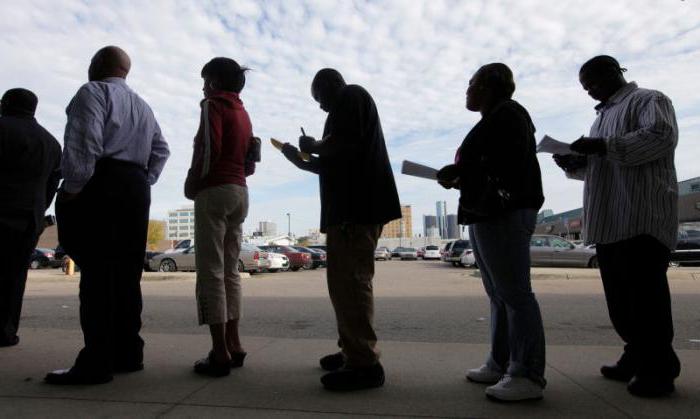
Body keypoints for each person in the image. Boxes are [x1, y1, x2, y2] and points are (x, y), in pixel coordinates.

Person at [554, 55, 680, 397]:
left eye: (593, 83)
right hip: (610, 220)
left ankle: (659, 369)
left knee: (646, 300)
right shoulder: (600, 120)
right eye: (585, 88)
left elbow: (660, 138)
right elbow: (603, 166)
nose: (590, 92)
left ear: (614, 72)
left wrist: (601, 146)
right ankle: (636, 354)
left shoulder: (649, 100)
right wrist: (575, 163)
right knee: (621, 302)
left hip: (641, 217)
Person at [45, 46, 170, 385]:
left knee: (99, 274)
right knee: (127, 275)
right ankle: (129, 353)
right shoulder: (143, 107)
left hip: (102, 183)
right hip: (134, 187)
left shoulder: (93, 91)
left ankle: (96, 362)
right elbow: (161, 149)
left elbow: (84, 141)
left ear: (97, 65)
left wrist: (73, 187)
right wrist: (143, 178)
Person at [281, 68, 401, 391]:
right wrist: (300, 158)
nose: (320, 107)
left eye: (319, 98)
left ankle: (364, 363)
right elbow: (332, 159)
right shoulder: (342, 111)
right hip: (350, 211)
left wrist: (313, 144)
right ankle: (352, 349)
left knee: (351, 283)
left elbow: (343, 145)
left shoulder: (352, 96)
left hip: (356, 210)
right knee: (343, 285)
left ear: (332, 84)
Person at [437, 63, 546, 402]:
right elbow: (488, 166)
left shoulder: (509, 114)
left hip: (504, 213)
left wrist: (461, 170)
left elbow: (505, 165)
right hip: (486, 214)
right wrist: (460, 174)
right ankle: (501, 362)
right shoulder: (494, 119)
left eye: (471, 83)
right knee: (499, 295)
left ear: (489, 86)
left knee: (514, 293)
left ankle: (526, 374)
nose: (467, 90)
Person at [183, 57, 257, 377]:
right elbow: (250, 158)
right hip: (240, 192)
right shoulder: (243, 112)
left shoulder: (212, 105)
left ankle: (219, 352)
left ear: (213, 81)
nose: (202, 87)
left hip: (215, 191)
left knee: (210, 272)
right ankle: (235, 343)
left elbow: (209, 149)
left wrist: (192, 181)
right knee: (230, 272)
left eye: (204, 80)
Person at [0, 88, 62, 347]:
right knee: (15, 279)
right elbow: (52, 185)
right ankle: (6, 331)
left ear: (5, 104)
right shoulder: (50, 142)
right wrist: (38, 211)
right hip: (28, 219)